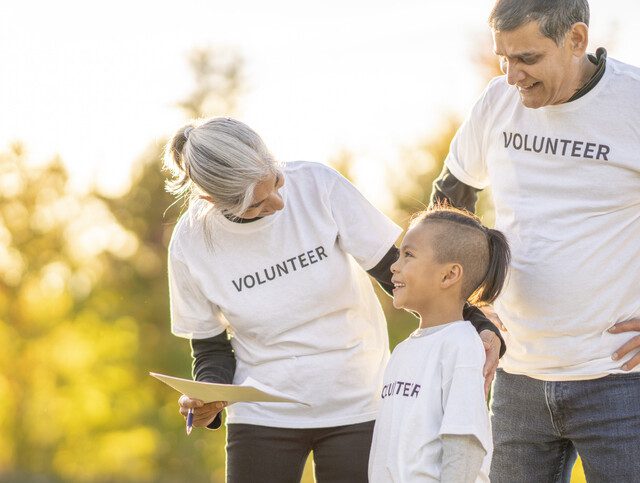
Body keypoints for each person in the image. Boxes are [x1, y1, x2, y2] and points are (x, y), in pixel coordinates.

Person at [163, 117, 504, 482]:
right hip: (263, 415)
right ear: (211, 200)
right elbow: (210, 348)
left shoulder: (317, 186)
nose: (278, 203)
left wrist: (479, 323)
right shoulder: (190, 243)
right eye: (257, 203)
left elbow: (398, 273)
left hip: (358, 404)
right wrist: (208, 401)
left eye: (276, 182)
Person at [429, 0, 640, 481]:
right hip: (517, 376)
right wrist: (470, 311)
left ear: (577, 39)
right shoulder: (496, 103)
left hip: (620, 383)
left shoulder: (634, 103)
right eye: (504, 58)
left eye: (527, 59)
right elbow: (449, 205)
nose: (512, 76)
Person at [368, 206, 511, 483]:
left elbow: (465, 442)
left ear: (449, 275)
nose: (394, 266)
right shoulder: (403, 350)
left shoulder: (462, 345)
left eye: (408, 255)